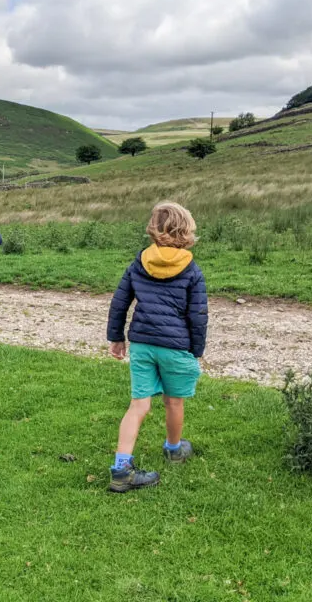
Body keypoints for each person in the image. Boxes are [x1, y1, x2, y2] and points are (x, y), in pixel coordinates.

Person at [105, 202, 208, 492]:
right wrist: (196, 349)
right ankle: (174, 449)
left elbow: (120, 303)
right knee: (174, 401)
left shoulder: (140, 261)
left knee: (138, 405)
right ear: (186, 230)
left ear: (153, 228)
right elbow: (198, 315)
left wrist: (116, 338)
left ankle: (121, 468)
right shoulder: (192, 269)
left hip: (142, 343)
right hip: (177, 347)